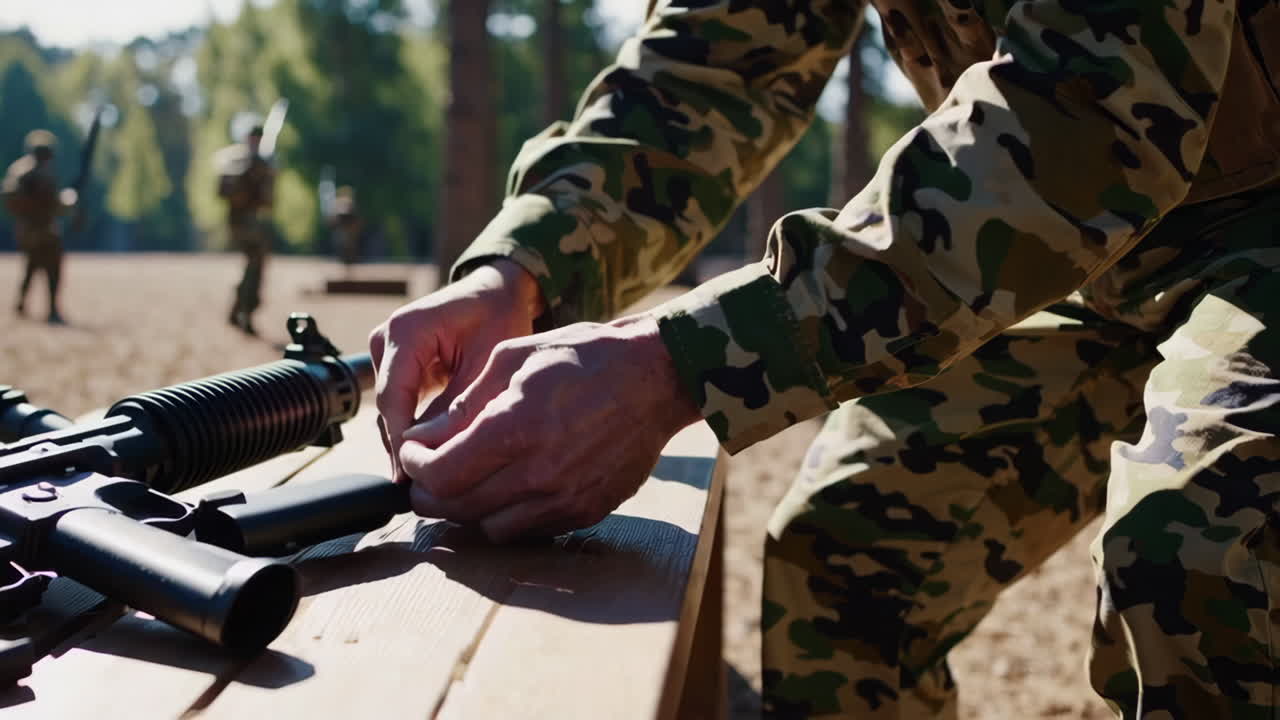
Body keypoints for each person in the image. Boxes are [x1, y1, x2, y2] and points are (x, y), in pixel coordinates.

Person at [369, 1, 1280, 716]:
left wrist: (683, 362)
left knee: (1205, 562)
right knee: (847, 552)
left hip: (1216, 223)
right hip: (1085, 259)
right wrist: (521, 266)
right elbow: (714, 63)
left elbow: (1088, 105)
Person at [3, 129, 76, 324]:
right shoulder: (29, 172)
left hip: (32, 229)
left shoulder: (24, 170)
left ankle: (24, 305)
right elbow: (16, 198)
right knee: (50, 268)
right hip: (37, 229)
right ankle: (49, 309)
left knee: (32, 266)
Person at [215, 125, 275, 335]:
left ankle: (240, 309)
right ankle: (245, 311)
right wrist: (247, 172)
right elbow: (223, 191)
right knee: (254, 264)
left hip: (256, 224)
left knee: (256, 267)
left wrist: (265, 175)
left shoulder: (265, 163)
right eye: (253, 138)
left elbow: (268, 201)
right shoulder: (234, 160)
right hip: (240, 223)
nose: (256, 142)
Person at [328, 185, 364, 272]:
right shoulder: (344, 204)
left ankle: (348, 261)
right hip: (346, 230)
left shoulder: (341, 204)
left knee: (347, 246)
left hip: (347, 230)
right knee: (346, 246)